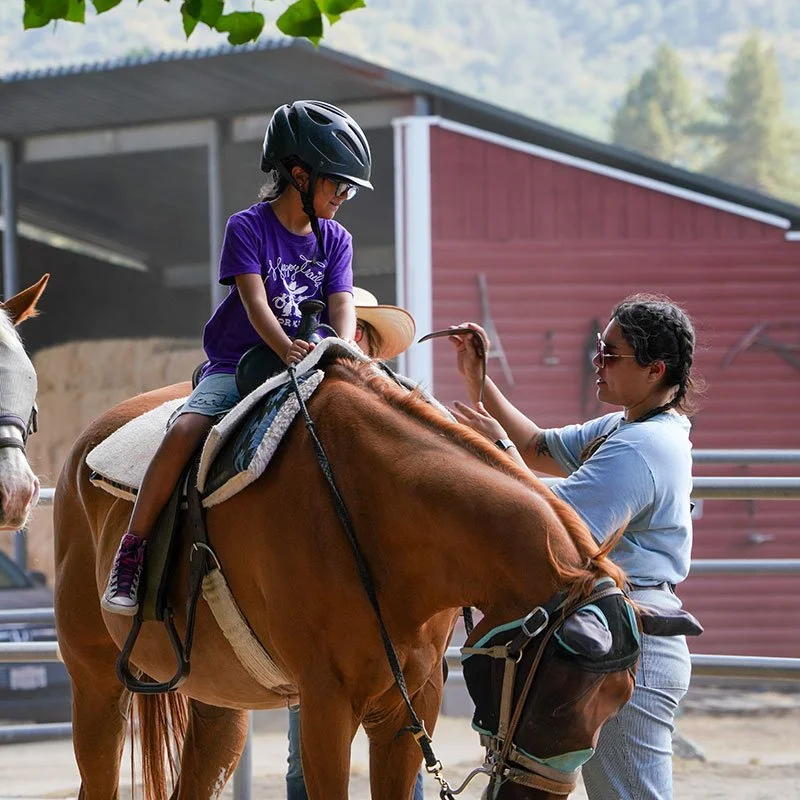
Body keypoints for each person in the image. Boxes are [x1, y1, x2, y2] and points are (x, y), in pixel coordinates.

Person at [102, 100, 372, 615]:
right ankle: (132, 549)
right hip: (242, 363)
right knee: (185, 431)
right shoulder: (246, 227)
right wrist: (285, 348)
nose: (344, 197)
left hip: (311, 361)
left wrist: (342, 350)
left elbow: (342, 301)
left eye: (349, 188)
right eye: (337, 185)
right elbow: (254, 302)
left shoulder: (337, 238)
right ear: (298, 174)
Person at [448, 294, 699, 800]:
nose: (597, 363)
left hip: (634, 641)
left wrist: (496, 452)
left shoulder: (642, 447)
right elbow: (537, 446)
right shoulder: (626, 426)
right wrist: (480, 381)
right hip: (618, 628)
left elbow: (558, 525)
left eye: (611, 354)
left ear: (654, 369)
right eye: (599, 350)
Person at [286, 287, 423, 800]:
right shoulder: (296, 415)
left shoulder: (407, 410)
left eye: (352, 332)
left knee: (405, 745)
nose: (340, 341)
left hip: (396, 610)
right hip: (327, 612)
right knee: (311, 761)